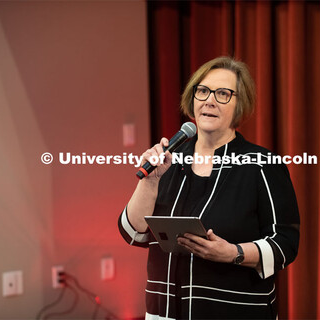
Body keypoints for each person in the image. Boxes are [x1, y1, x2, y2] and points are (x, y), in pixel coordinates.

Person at [118, 56, 300, 319]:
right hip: (164, 313)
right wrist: (150, 181)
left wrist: (233, 253)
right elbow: (133, 233)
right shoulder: (169, 160)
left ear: (241, 104)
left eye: (223, 93)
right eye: (202, 90)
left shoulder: (262, 165)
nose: (209, 100)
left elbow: (285, 243)